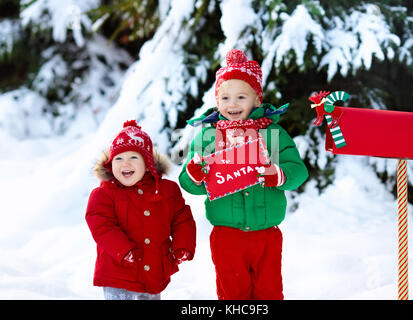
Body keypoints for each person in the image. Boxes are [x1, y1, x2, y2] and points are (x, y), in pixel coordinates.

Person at [178, 49, 308, 300]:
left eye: (241, 96)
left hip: (265, 234)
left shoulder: (273, 135)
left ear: (257, 100)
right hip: (227, 235)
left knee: (268, 291)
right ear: (217, 101)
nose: (232, 104)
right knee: (232, 292)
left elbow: (298, 171)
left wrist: (278, 175)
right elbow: (189, 184)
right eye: (225, 97)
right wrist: (194, 174)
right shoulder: (207, 137)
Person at [86, 120, 196, 300]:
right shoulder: (104, 194)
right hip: (118, 274)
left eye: (133, 157)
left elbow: (182, 219)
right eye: (118, 158)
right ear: (110, 164)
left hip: (153, 273)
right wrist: (123, 249)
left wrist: (182, 246)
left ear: (148, 163)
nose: (125, 163)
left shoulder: (166, 191)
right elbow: (101, 226)